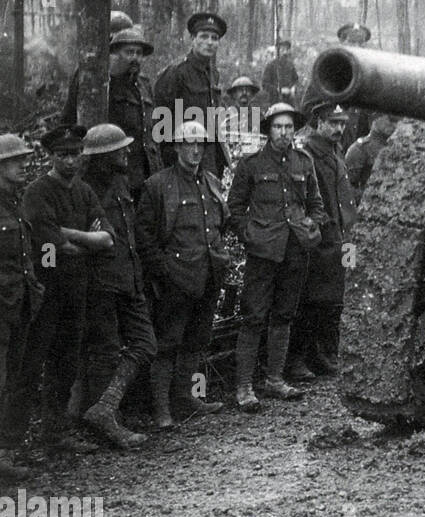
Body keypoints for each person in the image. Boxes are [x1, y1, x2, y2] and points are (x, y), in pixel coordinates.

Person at [0, 126, 113, 454]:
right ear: (51, 156)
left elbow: (107, 238)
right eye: (62, 154)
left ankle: (55, 433)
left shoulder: (84, 191)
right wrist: (82, 239)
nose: (70, 160)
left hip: (77, 290)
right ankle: (9, 443)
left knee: (66, 364)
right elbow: (55, 246)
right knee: (29, 368)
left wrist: (73, 235)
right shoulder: (37, 192)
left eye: (75, 153)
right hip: (44, 294)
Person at [226, 103, 325, 411]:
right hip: (263, 251)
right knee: (254, 316)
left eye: (289, 128)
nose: (284, 133)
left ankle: (274, 379)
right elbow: (234, 209)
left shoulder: (303, 162)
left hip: (295, 249)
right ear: (268, 130)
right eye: (278, 127)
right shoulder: (251, 164)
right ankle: (243, 388)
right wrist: (250, 235)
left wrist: (312, 224)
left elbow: (316, 205)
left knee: (284, 314)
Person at [136, 121, 229, 429]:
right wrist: (164, 272)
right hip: (176, 279)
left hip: (209, 274)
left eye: (200, 144)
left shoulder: (211, 182)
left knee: (198, 339)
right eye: (189, 143)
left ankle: (188, 397)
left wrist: (220, 256)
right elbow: (145, 238)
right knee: (168, 342)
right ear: (175, 147)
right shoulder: (158, 185)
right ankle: (161, 409)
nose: (195, 149)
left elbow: (220, 224)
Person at [78, 124, 157, 448]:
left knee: (145, 344)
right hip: (101, 283)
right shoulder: (84, 190)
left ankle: (105, 409)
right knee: (105, 353)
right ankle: (102, 422)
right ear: (102, 157)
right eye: (120, 149)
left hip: (130, 277)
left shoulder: (123, 182)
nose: (127, 152)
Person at [287, 103, 358, 381]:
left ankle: (321, 355)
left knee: (330, 302)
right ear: (318, 122)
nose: (339, 128)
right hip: (318, 239)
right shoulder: (307, 153)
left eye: (342, 123)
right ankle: (296, 360)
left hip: (338, 237)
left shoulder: (334, 151)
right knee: (309, 302)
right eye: (332, 122)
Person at [63, 27, 162, 202]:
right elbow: (70, 122)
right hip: (115, 175)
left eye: (139, 53)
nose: (135, 58)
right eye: (129, 52)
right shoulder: (102, 84)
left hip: (146, 175)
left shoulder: (144, 85)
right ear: (114, 54)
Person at [0, 135, 42, 480]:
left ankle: (4, 453)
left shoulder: (16, 203)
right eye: (16, 160)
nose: (24, 164)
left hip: (19, 306)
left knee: (12, 379)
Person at [153, 12, 228, 179]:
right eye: (204, 36)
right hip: (183, 160)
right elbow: (160, 123)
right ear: (192, 39)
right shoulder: (176, 73)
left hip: (208, 157)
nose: (209, 42)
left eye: (214, 38)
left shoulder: (213, 74)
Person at [344, 115, 397, 199]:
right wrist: (368, 198)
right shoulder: (360, 149)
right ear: (375, 118)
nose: (394, 124)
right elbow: (346, 187)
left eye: (396, 121)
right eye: (391, 119)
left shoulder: (399, 145)